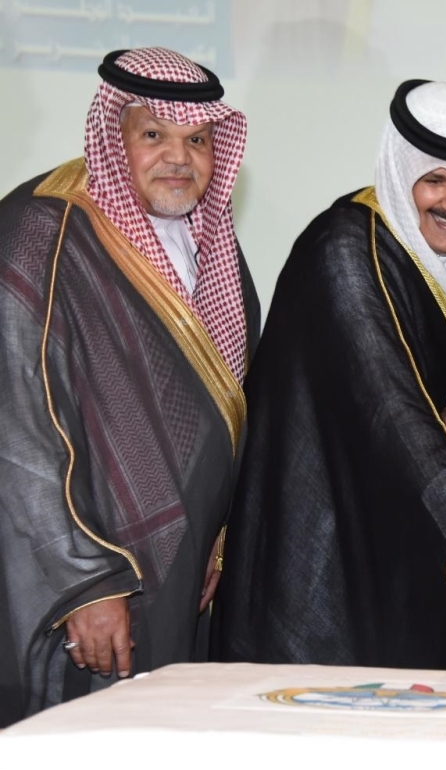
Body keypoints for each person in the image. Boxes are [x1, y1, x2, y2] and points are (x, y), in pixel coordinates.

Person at [0, 47, 259, 726]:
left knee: (154, 763)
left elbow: (227, 406)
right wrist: (83, 579)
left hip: (180, 565)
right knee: (68, 767)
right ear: (113, 137)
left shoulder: (213, 242)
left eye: (197, 140)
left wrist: (218, 538)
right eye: (154, 136)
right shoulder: (41, 231)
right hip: (82, 581)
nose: (180, 157)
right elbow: (18, 425)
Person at [213, 80, 446, 669]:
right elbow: (391, 405)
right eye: (435, 180)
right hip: (323, 540)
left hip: (399, 532)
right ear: (401, 174)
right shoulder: (347, 248)